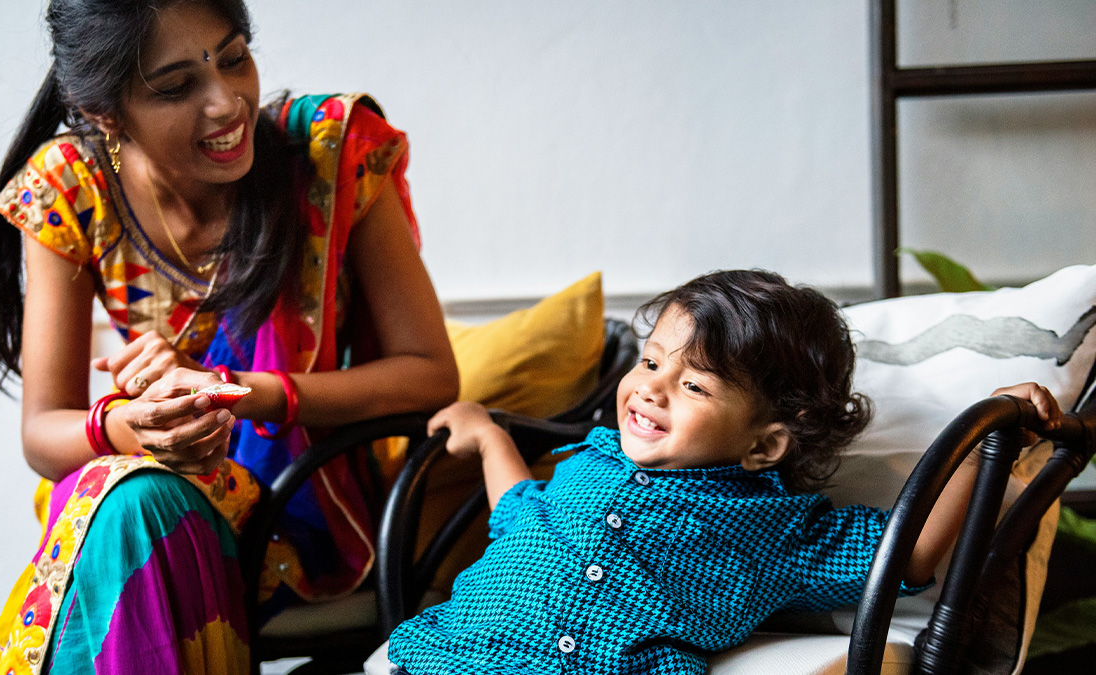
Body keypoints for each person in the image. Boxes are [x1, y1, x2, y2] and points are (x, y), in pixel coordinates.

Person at [0, 1, 459, 673]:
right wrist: (142, 424)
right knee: (132, 498)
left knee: (129, 510)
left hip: (307, 510)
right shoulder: (69, 189)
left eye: (234, 58)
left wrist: (242, 393)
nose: (227, 103)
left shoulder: (330, 154)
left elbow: (431, 373)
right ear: (108, 114)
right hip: (163, 491)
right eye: (176, 87)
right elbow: (42, 432)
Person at [374, 269, 1061, 675]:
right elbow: (520, 511)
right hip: (448, 653)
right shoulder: (590, 459)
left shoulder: (777, 528)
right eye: (650, 361)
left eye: (694, 386)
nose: (651, 386)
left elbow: (905, 554)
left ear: (764, 445)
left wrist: (985, 448)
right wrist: (489, 434)